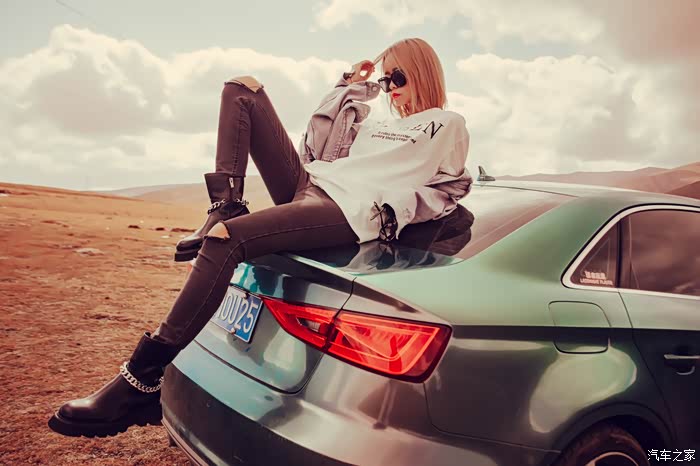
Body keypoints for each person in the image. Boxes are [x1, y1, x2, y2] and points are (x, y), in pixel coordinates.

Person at [47, 37, 471, 437]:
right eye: (386, 78)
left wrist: (397, 219)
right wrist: (350, 84)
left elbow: (446, 189)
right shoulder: (374, 120)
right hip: (312, 184)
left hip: (349, 209)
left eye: (398, 77)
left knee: (226, 240)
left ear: (422, 72)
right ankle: (226, 203)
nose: (390, 87)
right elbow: (319, 139)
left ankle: (140, 381)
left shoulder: (447, 124)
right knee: (242, 89)